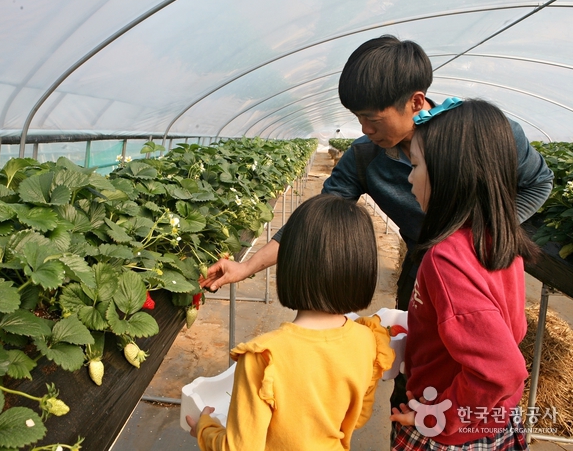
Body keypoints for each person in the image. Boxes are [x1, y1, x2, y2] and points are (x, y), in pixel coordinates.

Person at [199, 34, 553, 408]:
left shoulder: (482, 134)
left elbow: (539, 181)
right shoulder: (366, 156)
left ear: (415, 102)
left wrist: (486, 232)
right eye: (357, 118)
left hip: (483, 265)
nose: (364, 128)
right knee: (416, 371)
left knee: (477, 363)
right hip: (423, 266)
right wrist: (247, 266)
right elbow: (315, 217)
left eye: (372, 118)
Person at [186, 194, 395, 450]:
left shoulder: (265, 357)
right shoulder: (368, 340)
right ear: (363, 267)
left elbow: (240, 447)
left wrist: (205, 428)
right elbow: (358, 418)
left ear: (290, 264)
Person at [389, 98, 536, 449]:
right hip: (491, 418)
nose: (409, 178)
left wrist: (441, 419)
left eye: (415, 165)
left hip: (450, 430)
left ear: (450, 173)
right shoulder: (497, 240)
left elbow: (500, 369)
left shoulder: (445, 259)